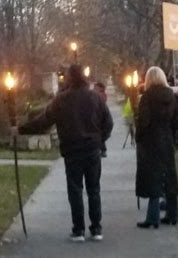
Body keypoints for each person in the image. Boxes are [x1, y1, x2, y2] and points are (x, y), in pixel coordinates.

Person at [18, 64, 114, 242]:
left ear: (69, 78)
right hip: (92, 149)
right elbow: (108, 122)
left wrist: (22, 129)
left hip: (72, 151)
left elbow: (44, 120)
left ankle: (78, 230)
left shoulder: (61, 100)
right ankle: (96, 229)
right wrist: (100, 140)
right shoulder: (95, 97)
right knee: (94, 189)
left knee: (75, 190)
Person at [135, 66, 178, 228]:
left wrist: (138, 136)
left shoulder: (147, 97)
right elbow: (176, 120)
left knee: (154, 178)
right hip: (167, 139)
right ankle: (172, 214)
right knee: (169, 176)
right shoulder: (171, 96)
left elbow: (143, 121)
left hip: (151, 141)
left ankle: (152, 217)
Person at [94, 82, 109, 157]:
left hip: (100, 116)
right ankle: (102, 149)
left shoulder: (101, 95)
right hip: (98, 116)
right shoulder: (100, 94)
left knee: (99, 132)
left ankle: (103, 150)